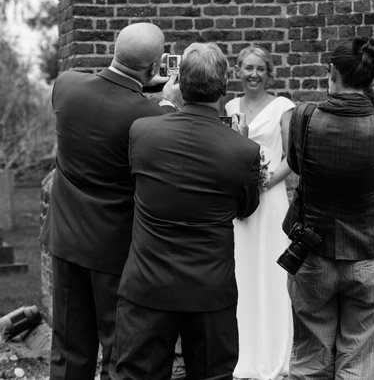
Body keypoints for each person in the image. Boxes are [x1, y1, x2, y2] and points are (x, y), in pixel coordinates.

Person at [110, 42, 261, 380]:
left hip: (147, 283)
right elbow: (246, 208)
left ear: (180, 83)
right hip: (209, 287)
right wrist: (240, 145)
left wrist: (168, 102)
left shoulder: (143, 131)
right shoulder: (242, 149)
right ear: (224, 87)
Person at [39, 22, 179, 380]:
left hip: (65, 239)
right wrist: (168, 101)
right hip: (114, 252)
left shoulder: (66, 86)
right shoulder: (152, 116)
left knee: (69, 350)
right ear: (156, 66)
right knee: (119, 352)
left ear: (115, 50)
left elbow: (106, 92)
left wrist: (139, 84)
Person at [282, 36, 374, 380]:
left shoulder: (304, 117)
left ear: (332, 72)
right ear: (372, 80)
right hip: (370, 253)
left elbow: (297, 166)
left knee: (310, 362)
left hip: (313, 252)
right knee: (358, 364)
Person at [225, 45, 295, 380]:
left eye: (260, 69)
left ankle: (274, 354)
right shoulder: (229, 107)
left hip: (270, 201)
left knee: (271, 272)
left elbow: (292, 159)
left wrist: (265, 182)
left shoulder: (283, 107)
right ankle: (241, 353)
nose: (253, 75)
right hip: (240, 203)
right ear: (237, 70)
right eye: (247, 68)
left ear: (269, 73)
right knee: (241, 271)